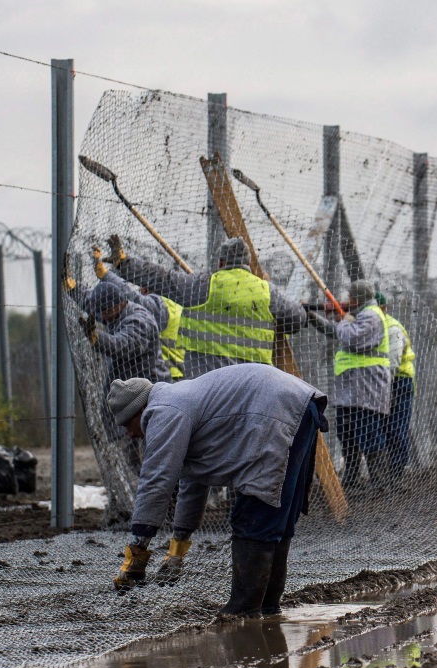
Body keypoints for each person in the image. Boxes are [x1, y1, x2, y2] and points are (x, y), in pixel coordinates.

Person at [106, 364, 328, 617]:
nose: (130, 434)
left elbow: (156, 480)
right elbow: (193, 481)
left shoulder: (163, 410)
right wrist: (177, 550)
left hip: (274, 411)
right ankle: (267, 609)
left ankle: (243, 612)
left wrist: (139, 549)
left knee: (256, 516)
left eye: (127, 424)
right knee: (275, 516)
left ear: (139, 410)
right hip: (295, 405)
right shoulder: (180, 401)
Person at [104, 235, 306, 378]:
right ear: (248, 264)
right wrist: (302, 312)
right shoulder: (266, 291)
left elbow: (162, 279)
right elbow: (297, 319)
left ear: (220, 262)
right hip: (254, 385)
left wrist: (124, 265)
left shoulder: (203, 286)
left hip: (207, 384)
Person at [308, 279, 392, 494]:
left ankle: (380, 483)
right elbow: (336, 331)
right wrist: (313, 317)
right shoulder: (359, 315)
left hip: (367, 385)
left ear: (359, 298)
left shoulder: (371, 315)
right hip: (352, 387)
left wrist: (343, 319)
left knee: (369, 433)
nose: (349, 300)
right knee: (347, 433)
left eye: (352, 297)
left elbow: (350, 337)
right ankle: (352, 480)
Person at [91, 247, 186, 380]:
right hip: (178, 376)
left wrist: (106, 275)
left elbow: (133, 298)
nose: (141, 289)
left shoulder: (160, 308)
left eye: (145, 286)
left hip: (168, 377)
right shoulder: (176, 305)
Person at [377, 293, 416, 471]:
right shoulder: (374, 325)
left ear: (382, 308)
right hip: (384, 381)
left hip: (399, 381)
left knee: (396, 426)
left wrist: (385, 390)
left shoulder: (392, 328)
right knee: (385, 427)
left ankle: (397, 469)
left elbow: (392, 363)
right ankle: (389, 469)